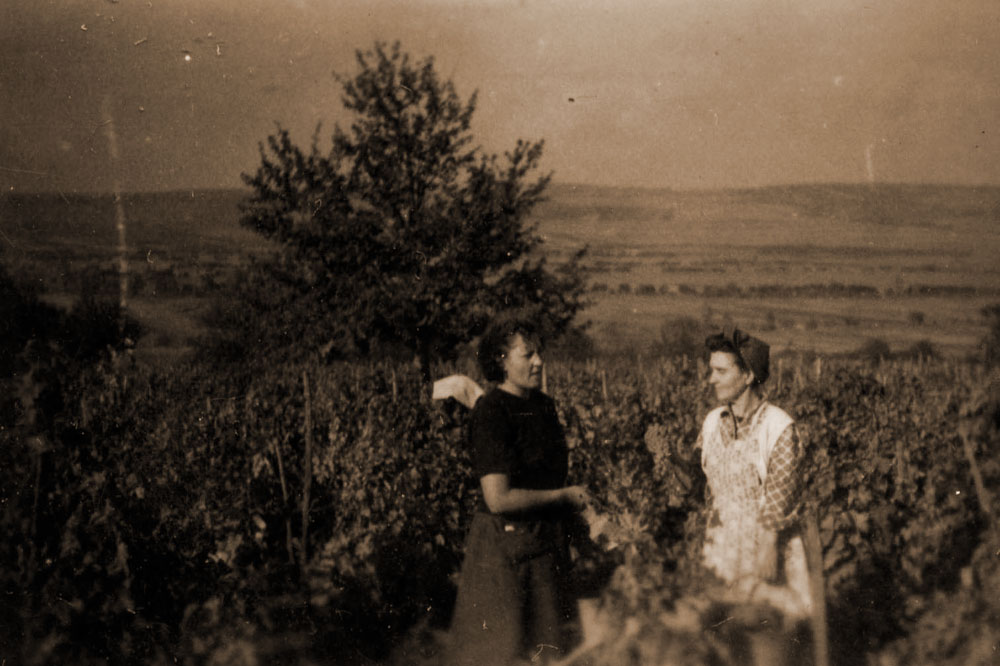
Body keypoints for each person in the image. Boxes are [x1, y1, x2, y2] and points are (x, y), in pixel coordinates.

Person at [447, 316, 590, 665]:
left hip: (545, 547)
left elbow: (552, 479)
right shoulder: (491, 412)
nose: (539, 361)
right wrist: (564, 497)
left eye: (539, 353)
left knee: (549, 652)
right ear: (501, 360)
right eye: (528, 354)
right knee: (500, 653)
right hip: (504, 552)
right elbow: (498, 499)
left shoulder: (544, 407)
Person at [696, 327, 811, 620]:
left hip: (765, 549)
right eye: (712, 370)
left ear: (747, 376)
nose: (711, 379)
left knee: (766, 628)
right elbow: (706, 485)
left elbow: (780, 494)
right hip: (722, 549)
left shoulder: (778, 427)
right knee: (720, 627)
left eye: (721, 371)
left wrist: (768, 547)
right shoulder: (712, 423)